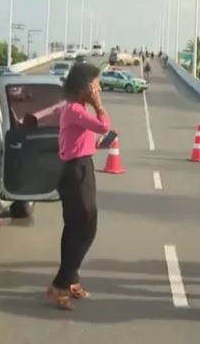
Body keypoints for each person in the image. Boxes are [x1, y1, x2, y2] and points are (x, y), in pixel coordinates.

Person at [47, 63, 112, 310]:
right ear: (84, 86)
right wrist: (98, 104)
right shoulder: (75, 110)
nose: (98, 88)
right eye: (95, 84)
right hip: (76, 173)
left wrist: (97, 144)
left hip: (83, 166)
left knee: (79, 227)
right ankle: (60, 284)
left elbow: (82, 141)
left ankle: (70, 279)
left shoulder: (77, 109)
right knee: (84, 227)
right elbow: (103, 124)